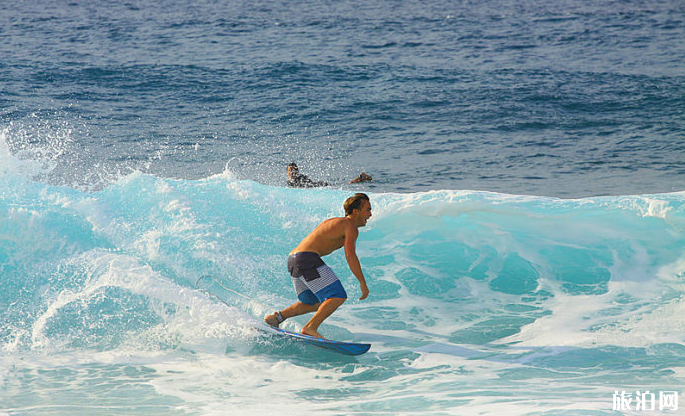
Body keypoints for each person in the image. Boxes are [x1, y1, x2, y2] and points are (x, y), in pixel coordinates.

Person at [264, 193, 372, 339]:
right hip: (306, 259)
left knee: (314, 302)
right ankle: (310, 328)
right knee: (337, 296)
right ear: (355, 211)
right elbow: (350, 255)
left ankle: (277, 318)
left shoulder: (333, 221)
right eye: (367, 210)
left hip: (293, 260)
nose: (370, 214)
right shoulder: (350, 226)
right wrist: (362, 283)